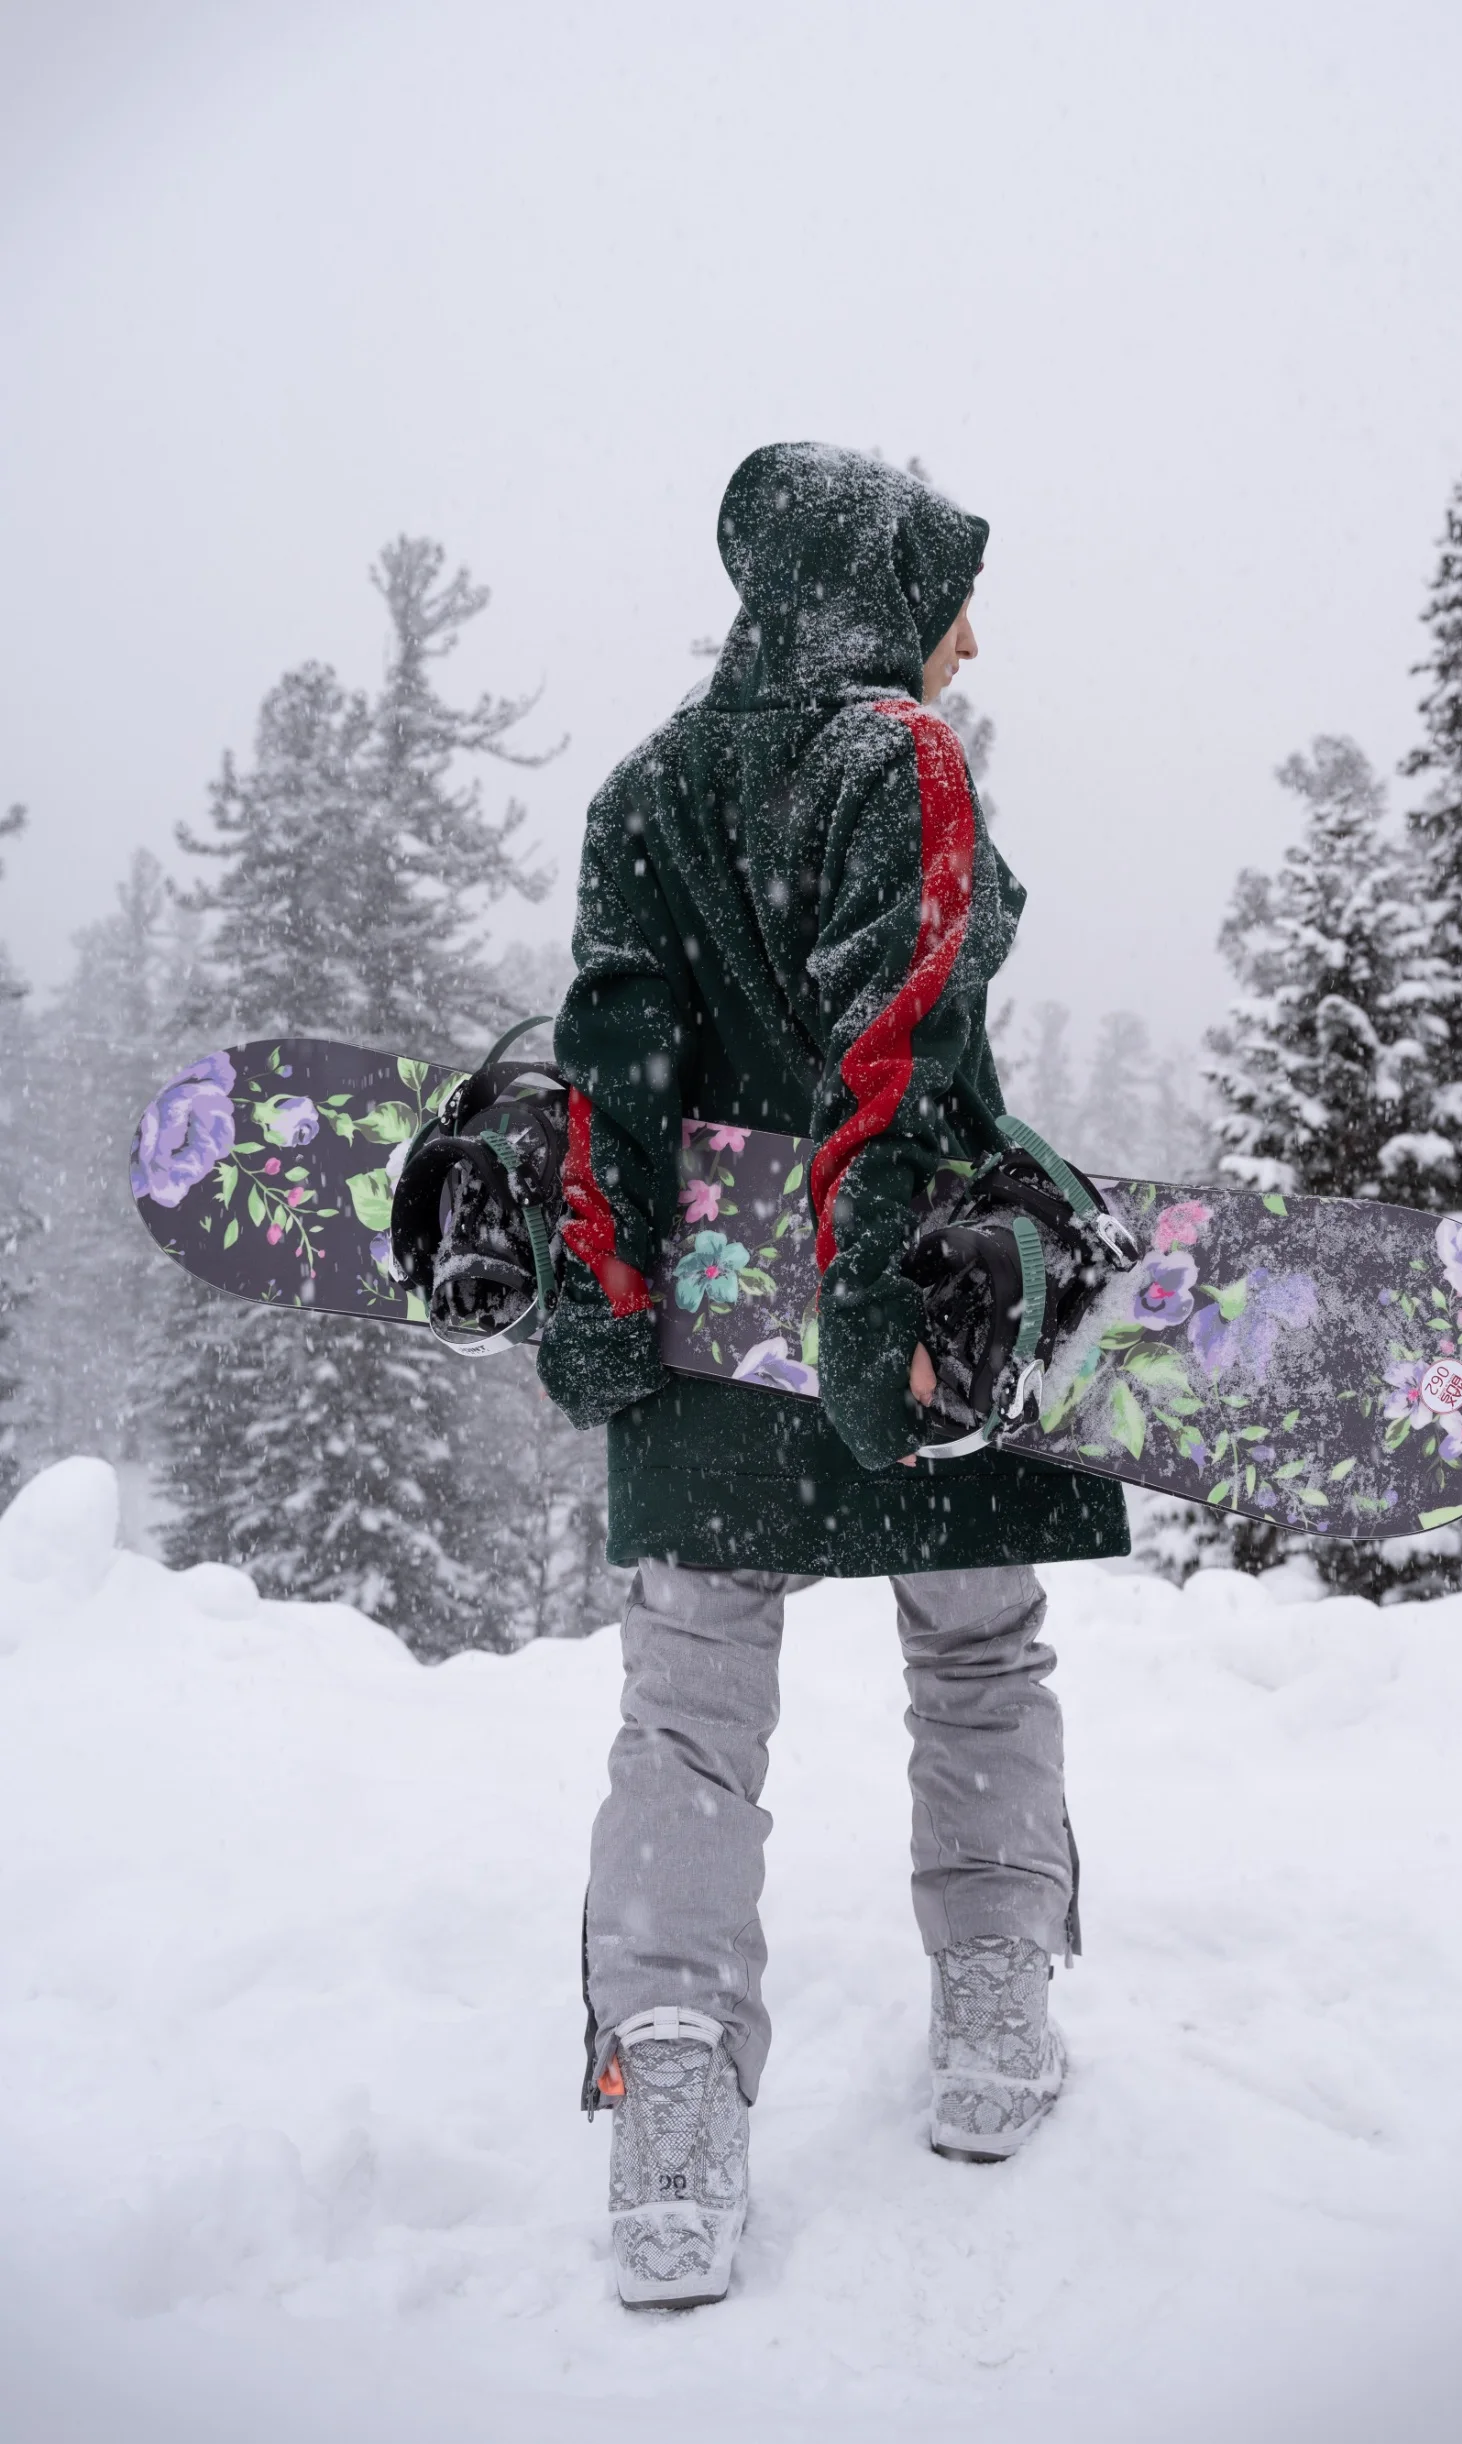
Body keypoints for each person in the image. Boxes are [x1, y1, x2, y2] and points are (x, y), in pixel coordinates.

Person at [537, 443, 1129, 2308]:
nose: (975, 628)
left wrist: (607, 1299)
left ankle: (675, 2121)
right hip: (916, 1316)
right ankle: (988, 2016)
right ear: (871, 591)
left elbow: (610, 1064)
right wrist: (884, 1348)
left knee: (689, 1717)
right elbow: (893, 1055)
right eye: (954, 584)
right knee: (975, 1651)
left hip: (713, 1349)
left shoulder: (646, 785)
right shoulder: (908, 762)